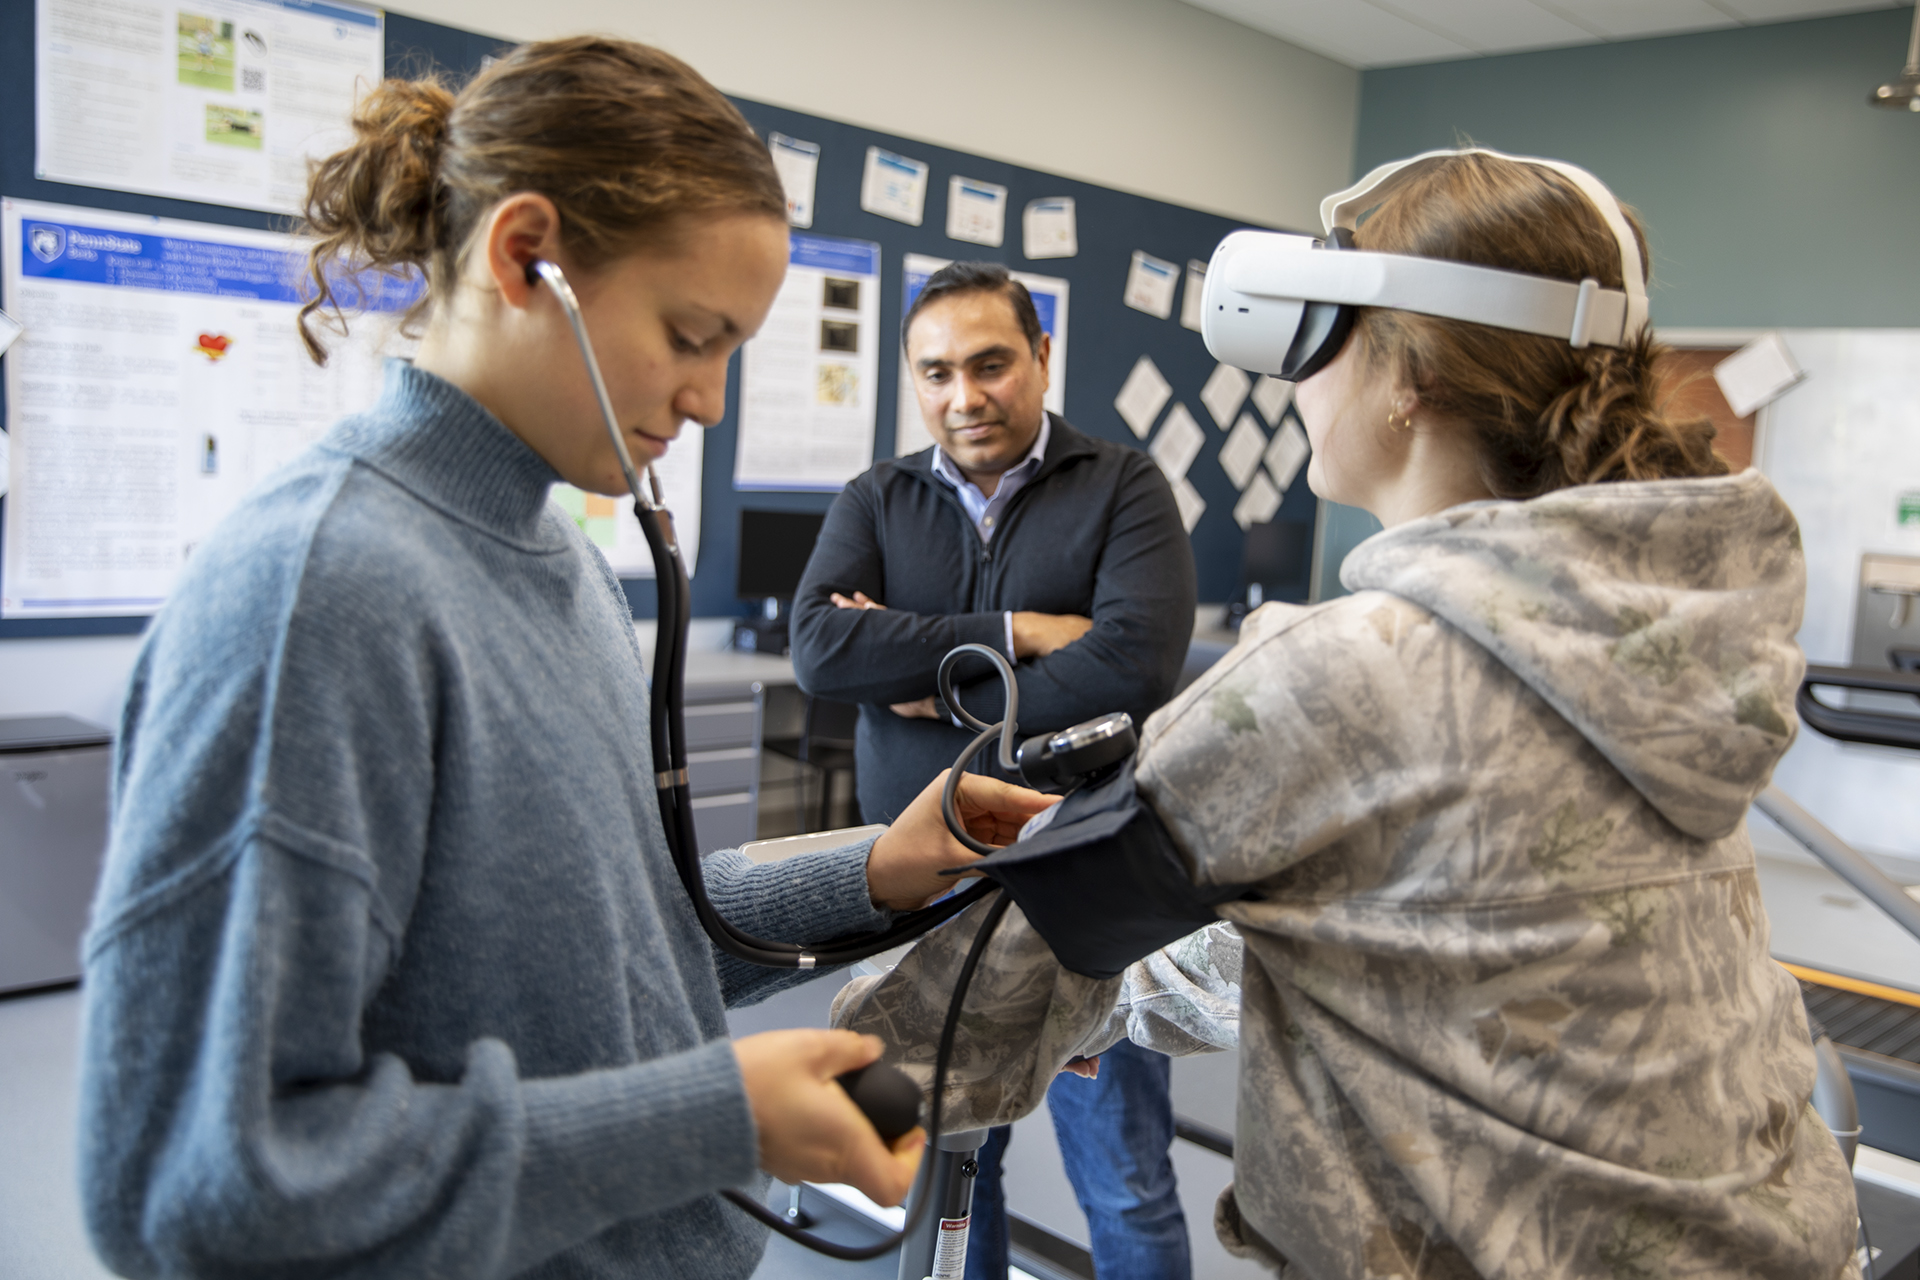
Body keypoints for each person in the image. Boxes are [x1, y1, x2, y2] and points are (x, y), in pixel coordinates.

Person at [74, 38, 1055, 1280]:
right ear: (524, 253)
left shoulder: (556, 556)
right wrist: (716, 1114)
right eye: (691, 334)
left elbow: (626, 952)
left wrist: (881, 867)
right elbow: (192, 1181)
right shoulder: (318, 597)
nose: (706, 400)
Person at [835, 150, 1861, 1279]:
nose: (1296, 382)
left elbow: (973, 1007)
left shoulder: (1343, 674)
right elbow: (1442, 929)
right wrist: (1129, 992)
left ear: (1404, 372)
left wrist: (802, 1101)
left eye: (1318, 335)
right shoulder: (1678, 635)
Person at [788, 261, 1199, 1280]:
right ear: (912, 380)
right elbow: (822, 653)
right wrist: (1015, 634)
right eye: (936, 372)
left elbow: (1131, 670)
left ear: (1042, 356)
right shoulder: (876, 498)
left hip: (1087, 897)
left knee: (1126, 1178)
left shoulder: (1125, 486)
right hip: (912, 897)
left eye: (990, 364)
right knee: (940, 1167)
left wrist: (934, 687)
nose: (964, 396)